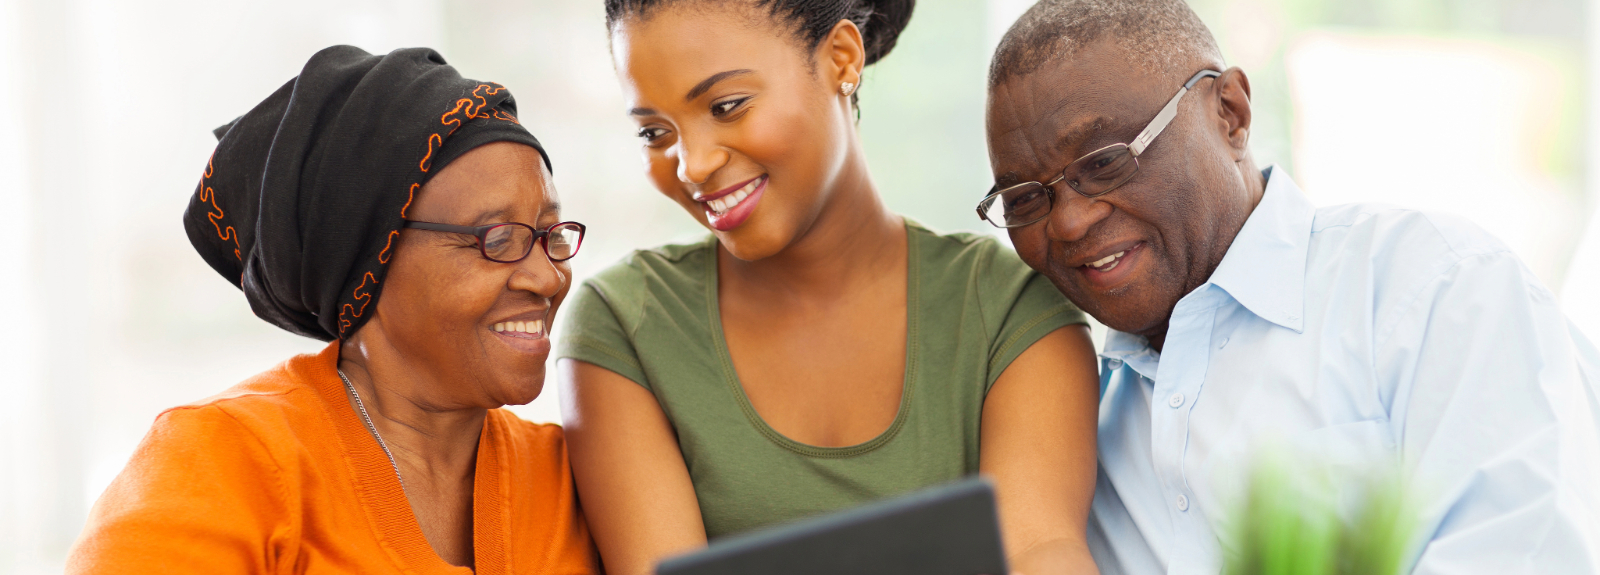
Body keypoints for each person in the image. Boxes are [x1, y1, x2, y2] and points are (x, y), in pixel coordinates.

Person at [980, 0, 1600, 572]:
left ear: (1231, 114)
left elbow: (1528, 553)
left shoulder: (1437, 291)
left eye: (1105, 160)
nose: (1068, 221)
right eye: (1025, 199)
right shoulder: (1065, 421)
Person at [555, 1, 1103, 573]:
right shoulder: (628, 326)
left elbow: (1039, 550)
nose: (692, 164)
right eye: (653, 131)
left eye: (726, 106)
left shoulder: (1008, 310)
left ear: (842, 58)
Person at [67, 46, 599, 574]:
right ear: (371, 254)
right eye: (498, 237)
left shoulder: (581, 478)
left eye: (551, 235)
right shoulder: (221, 463)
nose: (547, 277)